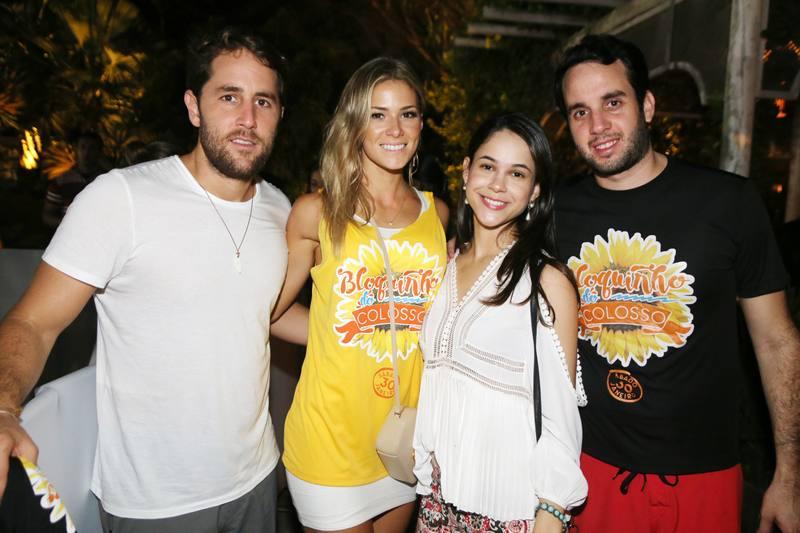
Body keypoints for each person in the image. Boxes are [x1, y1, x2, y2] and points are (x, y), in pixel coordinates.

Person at [0, 27, 307, 532]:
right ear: (194, 106)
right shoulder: (120, 199)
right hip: (156, 503)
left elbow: (265, 310)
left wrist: (362, 330)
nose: (248, 119)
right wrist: (4, 409)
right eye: (229, 96)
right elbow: (34, 322)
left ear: (279, 114)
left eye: (263, 102)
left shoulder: (280, 209)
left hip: (255, 480)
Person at [553, 34, 800, 533]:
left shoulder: (728, 203)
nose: (597, 125)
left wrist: (790, 475)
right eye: (580, 111)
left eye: (613, 102)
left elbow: (777, 341)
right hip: (589, 470)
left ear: (646, 105)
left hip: (705, 475)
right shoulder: (553, 213)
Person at [274, 57, 449, 532]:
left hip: (404, 439)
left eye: (408, 114)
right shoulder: (317, 212)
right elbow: (272, 313)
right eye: (378, 114)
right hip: (330, 440)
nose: (395, 129)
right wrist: (334, 333)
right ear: (354, 123)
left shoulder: (438, 215)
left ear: (420, 124)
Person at [412, 113, 587, 532]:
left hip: (511, 515)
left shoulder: (546, 281)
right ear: (466, 171)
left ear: (535, 191)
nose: (497, 184)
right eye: (488, 166)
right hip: (435, 505)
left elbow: (561, 420)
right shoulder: (443, 266)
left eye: (517, 174)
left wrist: (551, 516)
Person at [42, 131, 108, 229]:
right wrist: (70, 225)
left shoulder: (106, 181)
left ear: (99, 152)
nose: (86, 153)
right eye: (83, 147)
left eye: (92, 148)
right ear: (76, 150)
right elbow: (48, 215)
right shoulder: (61, 181)